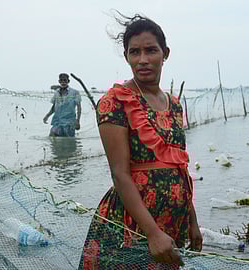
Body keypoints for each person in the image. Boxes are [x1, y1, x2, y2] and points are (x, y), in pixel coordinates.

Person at [79, 14, 202, 269]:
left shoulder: (175, 105)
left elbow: (179, 166)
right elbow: (120, 174)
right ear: (127, 57)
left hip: (172, 220)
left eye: (151, 50)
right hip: (133, 224)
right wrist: (152, 233)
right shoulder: (114, 102)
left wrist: (192, 220)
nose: (143, 59)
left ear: (165, 53)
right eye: (134, 52)